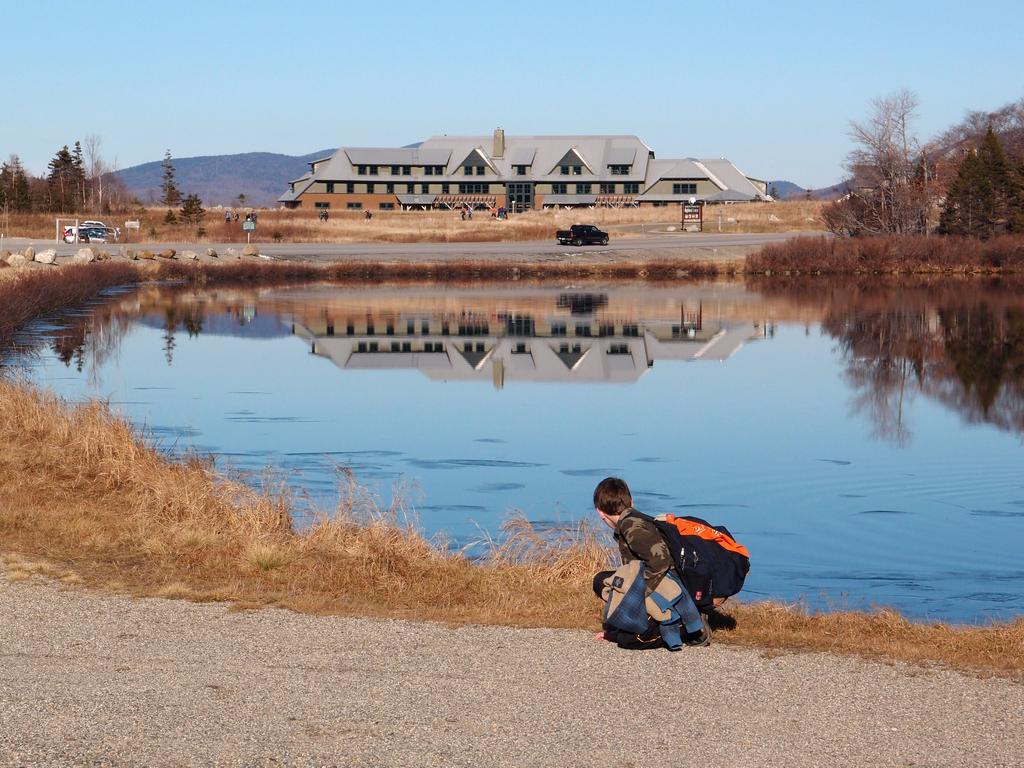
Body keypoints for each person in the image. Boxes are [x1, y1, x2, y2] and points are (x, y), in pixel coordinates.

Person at [592, 476, 710, 650]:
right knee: (600, 580)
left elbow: (660, 561)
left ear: (600, 512)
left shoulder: (632, 527)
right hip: (655, 581)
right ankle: (629, 620)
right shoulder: (632, 519)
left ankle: (686, 628)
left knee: (628, 640)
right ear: (631, 501)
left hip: (669, 586)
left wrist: (636, 594)